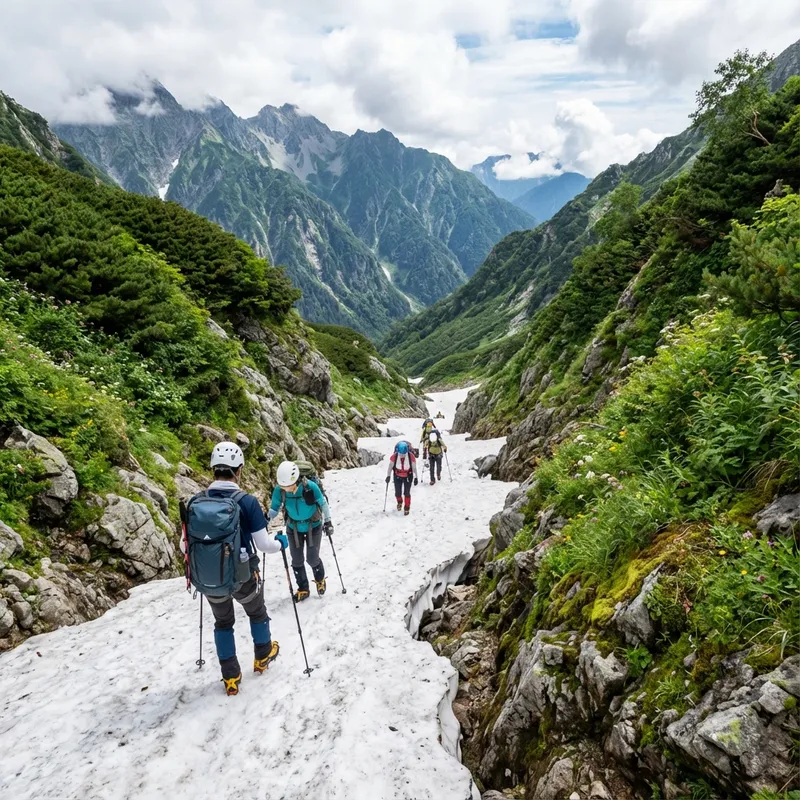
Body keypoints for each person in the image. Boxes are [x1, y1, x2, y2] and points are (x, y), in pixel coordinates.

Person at [183, 442, 286, 696]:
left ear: (213, 469)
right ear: (239, 469)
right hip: (242, 576)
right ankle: (262, 656)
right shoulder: (247, 502)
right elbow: (264, 545)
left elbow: (185, 544)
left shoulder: (196, 502)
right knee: (257, 611)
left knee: (223, 622)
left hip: (210, 578)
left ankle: (230, 677)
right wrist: (281, 543)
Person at [269, 461, 332, 602]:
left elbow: (323, 504)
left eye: (288, 486)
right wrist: (265, 520)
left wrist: (328, 521)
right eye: (282, 486)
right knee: (296, 560)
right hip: (293, 527)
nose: (285, 489)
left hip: (313, 525)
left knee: (312, 558)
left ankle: (320, 579)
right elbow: (274, 509)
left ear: (295, 480)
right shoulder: (280, 490)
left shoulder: (310, 487)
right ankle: (303, 588)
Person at [386, 441, 418, 515]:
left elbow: (414, 468)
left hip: (408, 476)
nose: (402, 456)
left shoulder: (411, 457)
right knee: (398, 492)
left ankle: (407, 507)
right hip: (397, 475)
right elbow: (390, 467)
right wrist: (388, 476)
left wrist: (416, 477)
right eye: (401, 454)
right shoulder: (394, 457)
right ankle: (399, 502)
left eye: (404, 454)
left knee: (407, 492)